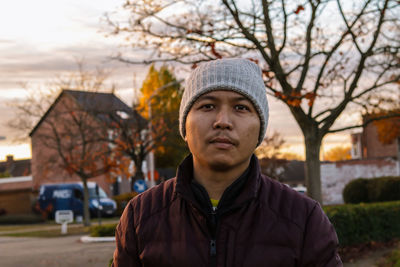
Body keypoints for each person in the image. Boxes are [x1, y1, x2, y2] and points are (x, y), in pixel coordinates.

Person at [112, 58, 343, 266]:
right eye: (207, 106)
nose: (223, 121)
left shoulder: (303, 219)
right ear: (185, 124)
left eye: (241, 108)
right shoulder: (140, 216)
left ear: (259, 128)